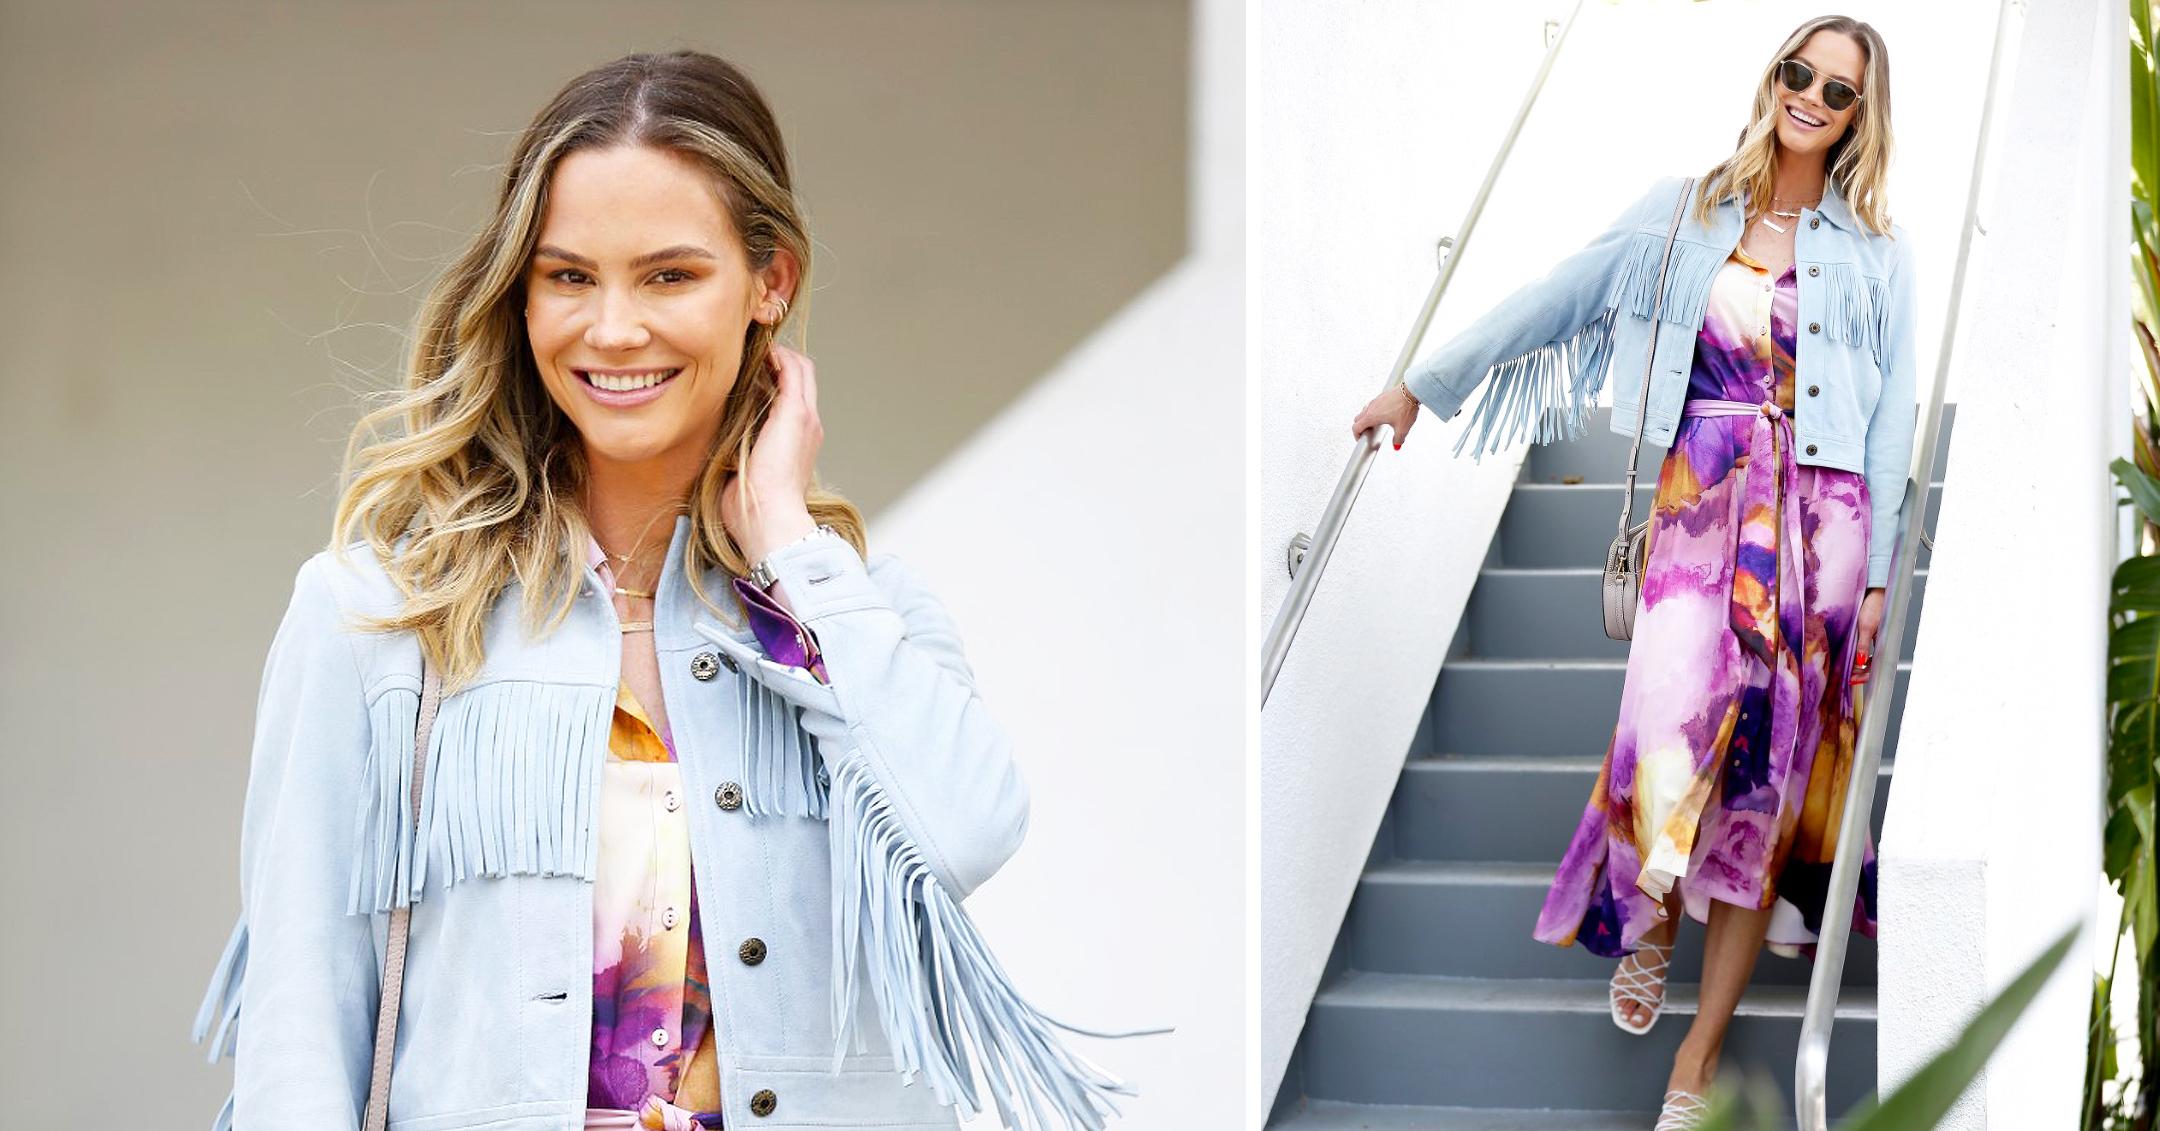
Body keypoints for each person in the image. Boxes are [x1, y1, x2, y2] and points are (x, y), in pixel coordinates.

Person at [192, 49, 1132, 1131]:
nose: (614, 330)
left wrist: (786, 535)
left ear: (769, 284)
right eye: (569, 276)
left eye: (671, 274)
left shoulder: (857, 616)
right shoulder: (380, 621)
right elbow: (297, 1029)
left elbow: (967, 833)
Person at [1350, 16, 1915, 1129]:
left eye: (1837, 90)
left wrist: (1884, 569)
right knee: (1665, 733)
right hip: (1702, 504)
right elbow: (1561, 295)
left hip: (1821, 527)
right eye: (1797, 72)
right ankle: (1651, 911)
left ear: (1861, 117)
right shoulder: (1684, 208)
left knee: (1764, 788)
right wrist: (1422, 382)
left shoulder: (1877, 252)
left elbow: (1891, 422)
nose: (1809, 96)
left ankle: (1695, 1060)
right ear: (1772, 79)